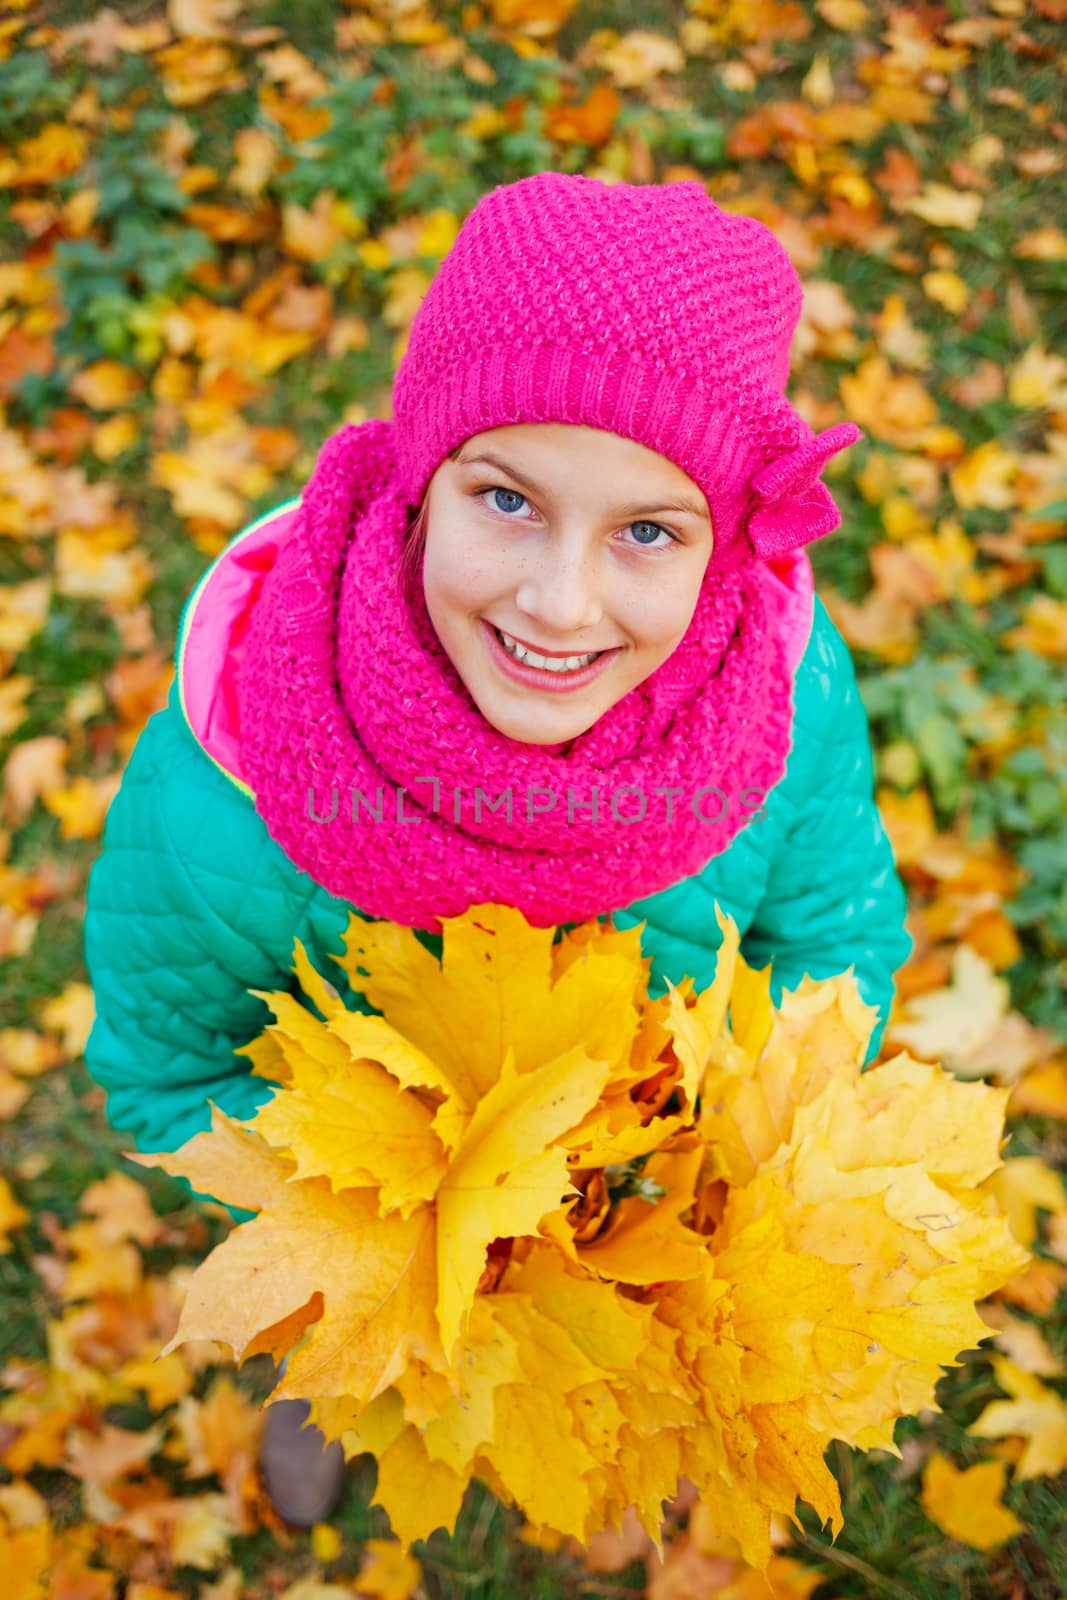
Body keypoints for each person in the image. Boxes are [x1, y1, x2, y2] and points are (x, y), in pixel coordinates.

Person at [82, 172, 912, 1527]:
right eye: (507, 501)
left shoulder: (782, 703)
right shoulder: (236, 787)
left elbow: (834, 938)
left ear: (726, 551)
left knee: (588, 1388)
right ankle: (332, 1388)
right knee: (360, 1347)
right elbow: (164, 1074)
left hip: (634, 1220)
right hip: (373, 1244)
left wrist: (713, 1158)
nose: (557, 601)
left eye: (647, 530)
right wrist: (367, 1228)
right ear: (418, 482)